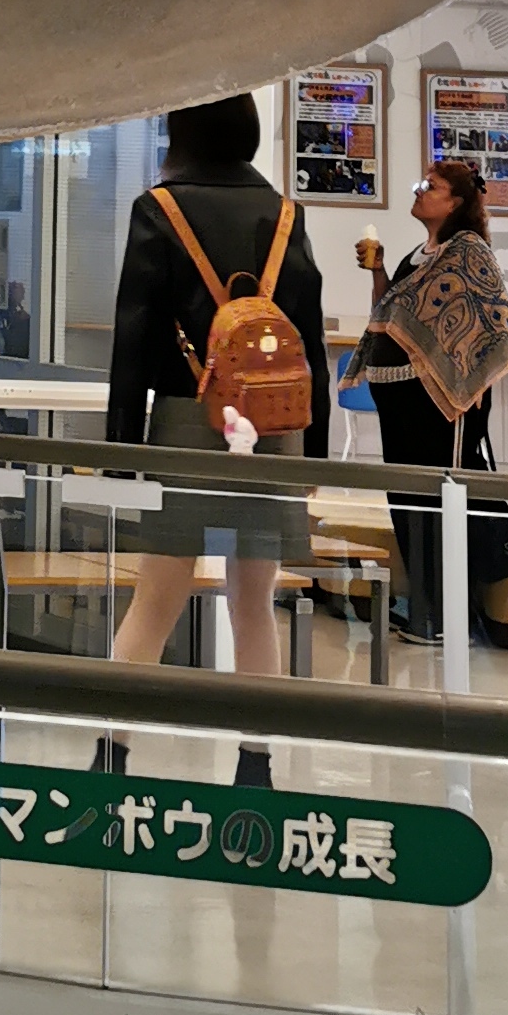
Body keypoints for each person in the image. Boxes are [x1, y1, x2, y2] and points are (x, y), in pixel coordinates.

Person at [102, 96, 329, 785]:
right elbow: (310, 341)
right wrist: (315, 452)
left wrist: (120, 448)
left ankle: (111, 754)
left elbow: (133, 337)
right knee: (255, 602)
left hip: (183, 422)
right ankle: (255, 763)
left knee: (154, 601)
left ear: (182, 133)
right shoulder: (287, 214)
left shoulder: (159, 210)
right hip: (273, 429)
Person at [357, 159, 508, 640]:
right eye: (419, 183)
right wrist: (379, 270)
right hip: (398, 395)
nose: (420, 191)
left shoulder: (468, 252)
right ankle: (425, 605)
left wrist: (471, 386)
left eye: (431, 186)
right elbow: (388, 315)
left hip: (439, 403)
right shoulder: (417, 256)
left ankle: (449, 613)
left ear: (456, 202)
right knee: (404, 498)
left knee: (436, 500)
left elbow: (494, 324)